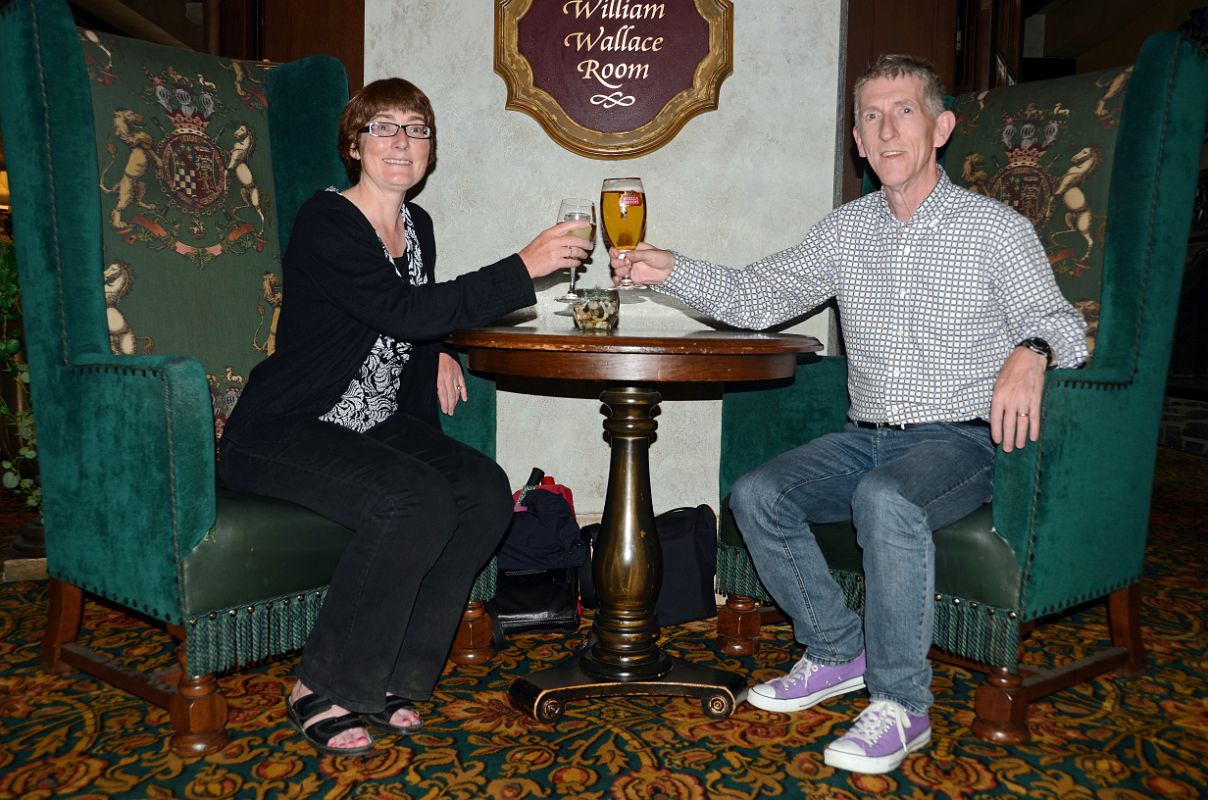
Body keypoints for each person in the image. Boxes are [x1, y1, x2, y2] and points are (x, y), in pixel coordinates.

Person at [609, 55, 1088, 775]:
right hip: (866, 436)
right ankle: (836, 648)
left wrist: (1032, 347)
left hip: (960, 440)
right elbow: (758, 297)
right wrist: (668, 269)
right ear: (858, 143)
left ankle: (902, 704)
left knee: (884, 498)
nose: (887, 129)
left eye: (904, 111)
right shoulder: (845, 230)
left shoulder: (995, 229)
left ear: (942, 127)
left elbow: (1067, 325)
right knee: (758, 494)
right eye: (871, 117)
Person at [219, 77, 590, 755]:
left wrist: (440, 348)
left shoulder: (417, 226)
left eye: (416, 129)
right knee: (411, 500)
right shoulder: (326, 220)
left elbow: (407, 315)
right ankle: (320, 684)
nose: (401, 141)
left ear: (430, 150)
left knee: (481, 492)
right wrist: (522, 267)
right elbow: (399, 310)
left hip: (368, 420)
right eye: (383, 127)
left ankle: (391, 674)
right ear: (354, 144)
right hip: (285, 426)